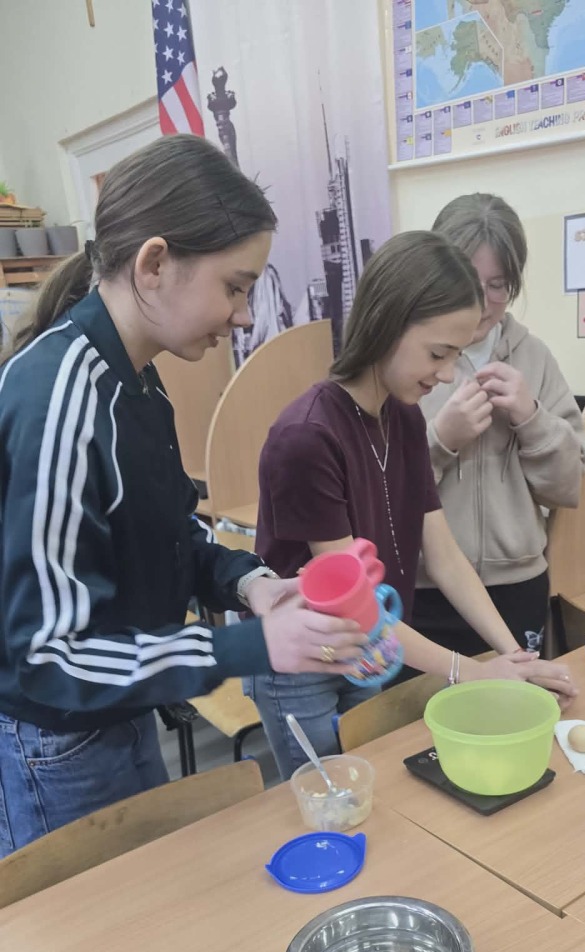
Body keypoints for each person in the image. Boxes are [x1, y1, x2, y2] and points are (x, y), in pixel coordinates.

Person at [0, 135, 364, 856]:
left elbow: (174, 531)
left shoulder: (138, 379)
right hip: (60, 740)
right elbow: (49, 657)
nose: (243, 315)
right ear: (154, 264)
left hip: (126, 701)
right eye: (235, 286)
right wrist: (250, 645)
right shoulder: (60, 400)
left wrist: (252, 584)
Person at [247, 230, 577, 779]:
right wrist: (472, 672)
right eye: (438, 353)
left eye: (456, 355)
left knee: (377, 787)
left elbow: (444, 556)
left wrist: (515, 657)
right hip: (304, 660)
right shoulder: (307, 437)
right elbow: (354, 603)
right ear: (388, 323)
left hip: (368, 647)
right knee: (331, 798)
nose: (446, 374)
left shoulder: (401, 417)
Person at [414, 193, 585, 656]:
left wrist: (532, 418)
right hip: (423, 587)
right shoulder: (408, 356)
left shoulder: (534, 357)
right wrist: (440, 441)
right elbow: (376, 489)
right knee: (423, 705)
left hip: (517, 585)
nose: (482, 302)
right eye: (467, 282)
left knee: (517, 697)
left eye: (499, 285)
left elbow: (567, 487)